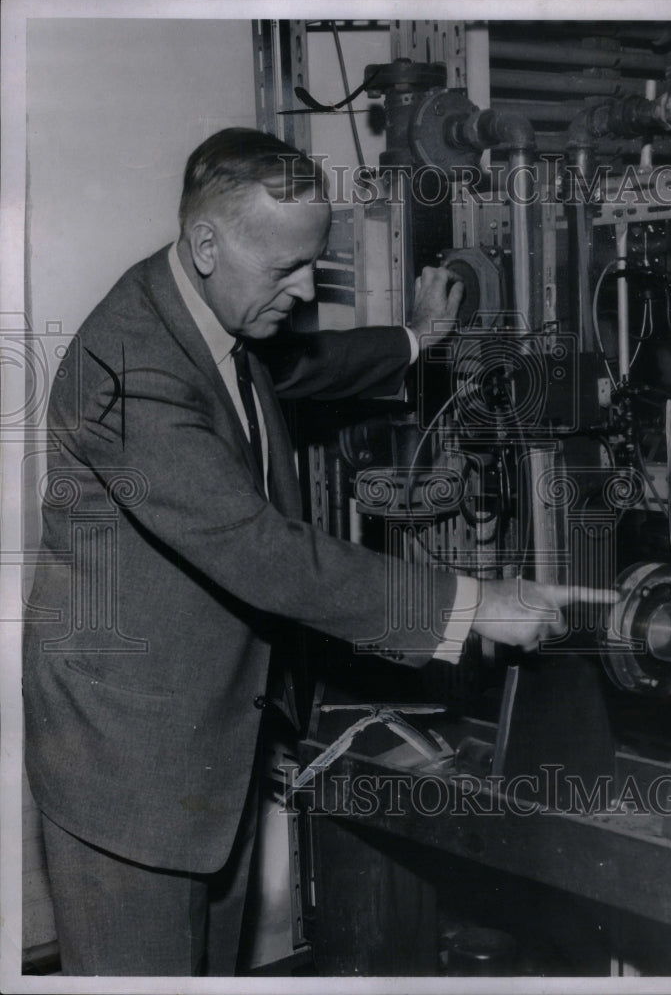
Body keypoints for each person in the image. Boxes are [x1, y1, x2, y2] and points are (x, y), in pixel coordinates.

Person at [23, 128, 609, 976]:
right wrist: (472, 602)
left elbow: (290, 368)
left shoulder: (203, 308)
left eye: (312, 265)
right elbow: (258, 552)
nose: (302, 292)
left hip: (209, 739)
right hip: (130, 765)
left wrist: (413, 338)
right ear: (207, 242)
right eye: (285, 271)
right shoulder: (126, 370)